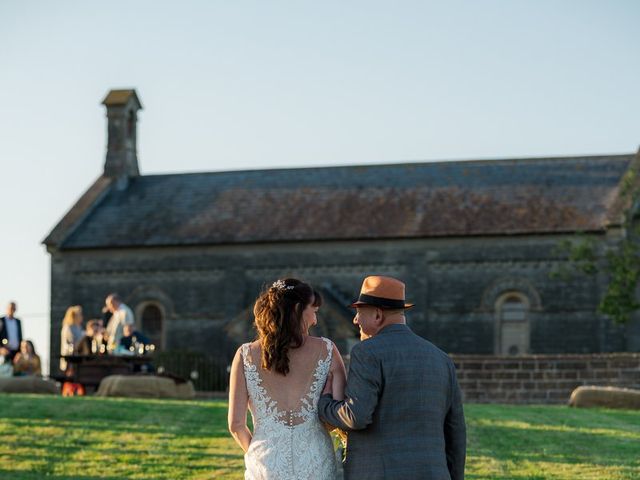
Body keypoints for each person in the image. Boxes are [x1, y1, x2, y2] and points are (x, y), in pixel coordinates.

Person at [318, 276, 467, 479]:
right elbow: (455, 431)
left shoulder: (367, 352)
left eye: (359, 312)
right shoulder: (441, 358)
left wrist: (324, 404)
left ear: (378, 315)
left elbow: (356, 416)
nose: (355, 320)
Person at [228, 278, 347, 480]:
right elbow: (338, 417)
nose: (315, 320)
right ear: (299, 309)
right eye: (314, 311)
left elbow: (236, 425)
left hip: (267, 463)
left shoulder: (245, 354)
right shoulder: (327, 350)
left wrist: (258, 455)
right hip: (315, 461)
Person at [60, 305, 85, 371]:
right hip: (70, 360)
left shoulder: (79, 328)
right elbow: (71, 344)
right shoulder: (68, 327)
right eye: (79, 315)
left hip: (78, 358)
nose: (81, 317)